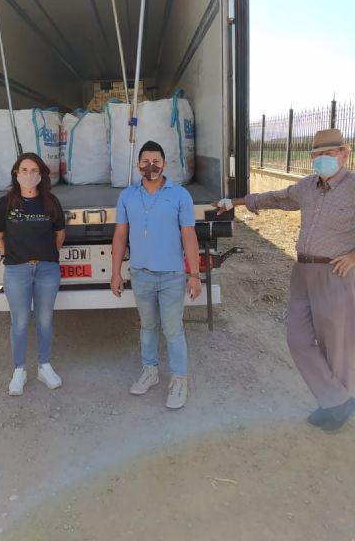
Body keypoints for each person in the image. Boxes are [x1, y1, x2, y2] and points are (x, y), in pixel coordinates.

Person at [214, 128, 355, 432]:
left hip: (335, 274)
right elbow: (274, 198)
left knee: (335, 345)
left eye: (329, 154)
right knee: (297, 339)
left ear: (344, 155)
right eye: (317, 155)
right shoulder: (306, 187)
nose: (322, 159)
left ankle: (332, 406)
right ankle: (339, 400)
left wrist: (354, 256)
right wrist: (234, 201)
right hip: (302, 272)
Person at [111, 140, 202, 409]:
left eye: (156, 161)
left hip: (172, 276)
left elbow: (189, 235)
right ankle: (150, 371)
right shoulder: (127, 196)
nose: (150, 166)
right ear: (137, 164)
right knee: (148, 327)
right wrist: (116, 273)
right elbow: (120, 235)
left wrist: (194, 274)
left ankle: (179, 379)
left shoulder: (180, 195)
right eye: (145, 161)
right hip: (141, 275)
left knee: (173, 330)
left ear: (164, 164)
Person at [0, 152, 65, 396]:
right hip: (17, 271)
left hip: (47, 270)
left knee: (45, 320)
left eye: (35, 170)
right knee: (20, 322)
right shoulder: (4, 204)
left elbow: (60, 234)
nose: (29, 175)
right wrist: (11, 256)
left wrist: (46, 254)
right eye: (24, 170)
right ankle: (19, 370)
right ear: (16, 173)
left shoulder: (51, 202)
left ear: (41, 175)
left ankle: (44, 366)